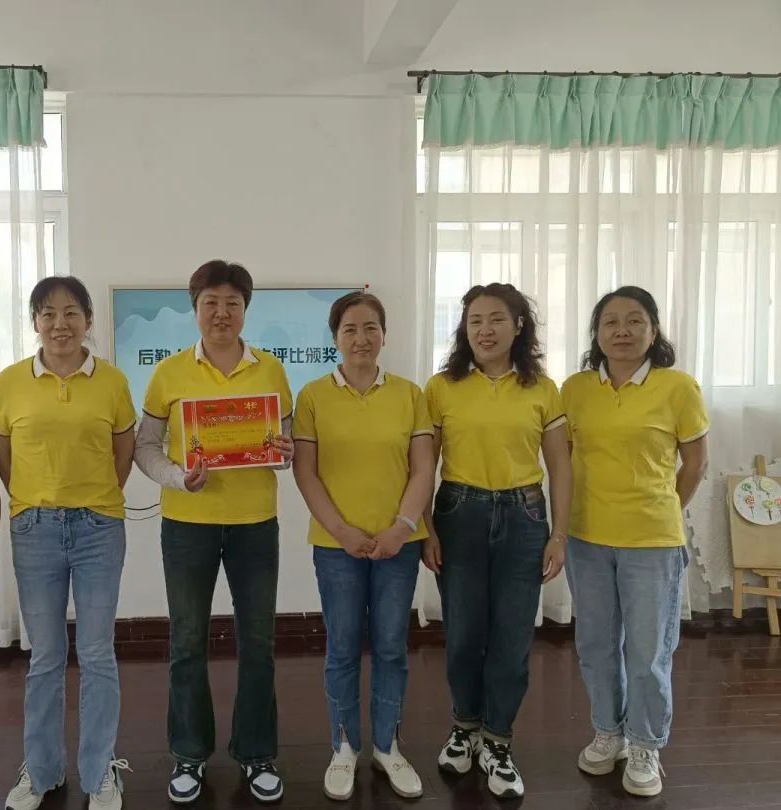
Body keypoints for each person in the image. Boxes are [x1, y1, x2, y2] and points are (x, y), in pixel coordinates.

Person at [134, 260, 294, 805]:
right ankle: (188, 754)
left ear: (245, 309)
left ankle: (257, 753)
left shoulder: (271, 370)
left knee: (259, 643)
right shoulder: (169, 372)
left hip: (255, 525)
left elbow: (284, 446)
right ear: (195, 308)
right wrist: (178, 478)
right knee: (186, 642)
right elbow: (145, 447)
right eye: (211, 303)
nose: (221, 313)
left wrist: (283, 452)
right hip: (187, 525)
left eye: (232, 303)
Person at [0, 276, 136, 810]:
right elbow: (4, 453)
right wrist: (38, 500)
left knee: (97, 653)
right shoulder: (10, 382)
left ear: (88, 321)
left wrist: (93, 498)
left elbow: (122, 453)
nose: (60, 324)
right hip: (35, 529)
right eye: (48, 313)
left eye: (71, 312)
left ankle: (100, 773)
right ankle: (42, 770)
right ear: (35, 321)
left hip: (99, 527)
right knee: (46, 655)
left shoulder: (112, 381)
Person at [422, 283, 571, 800]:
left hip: (524, 516)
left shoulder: (542, 388)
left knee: (512, 636)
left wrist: (559, 535)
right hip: (458, 513)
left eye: (496, 320)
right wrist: (426, 528)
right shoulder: (442, 387)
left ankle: (498, 741)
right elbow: (423, 465)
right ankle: (464, 727)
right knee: (463, 632)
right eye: (475, 321)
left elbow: (560, 465)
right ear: (464, 330)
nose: (485, 330)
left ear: (518, 326)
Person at [562, 286, 709, 798]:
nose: (622, 331)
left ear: (654, 329)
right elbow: (564, 459)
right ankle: (609, 731)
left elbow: (696, 464)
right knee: (596, 645)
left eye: (634, 320)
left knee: (648, 651)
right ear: (596, 333)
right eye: (610, 322)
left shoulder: (678, 387)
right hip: (586, 538)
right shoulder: (575, 389)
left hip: (652, 542)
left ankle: (645, 744)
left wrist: (662, 508)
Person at [292, 291, 434, 802]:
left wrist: (401, 527)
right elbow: (305, 473)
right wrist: (342, 531)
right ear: (335, 338)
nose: (361, 338)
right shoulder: (312, 396)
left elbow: (423, 468)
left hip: (400, 545)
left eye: (371, 328)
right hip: (337, 548)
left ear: (384, 335)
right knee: (343, 648)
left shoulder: (410, 394)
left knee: (392, 648)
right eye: (350, 329)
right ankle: (345, 747)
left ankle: (388, 747)